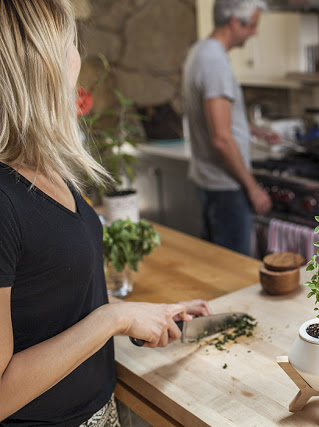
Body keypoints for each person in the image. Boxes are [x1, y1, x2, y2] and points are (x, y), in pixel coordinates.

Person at [0, 1, 211, 425]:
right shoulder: (4, 199)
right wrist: (113, 318)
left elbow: (57, 300)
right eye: (71, 43)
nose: (78, 57)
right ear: (43, 65)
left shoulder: (45, 170)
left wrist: (142, 314)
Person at [183, 0, 281, 256]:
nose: (255, 33)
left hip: (210, 182)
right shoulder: (215, 62)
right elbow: (221, 138)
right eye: (252, 26)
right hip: (226, 187)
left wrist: (255, 131)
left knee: (220, 266)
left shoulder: (200, 51)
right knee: (234, 270)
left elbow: (218, 119)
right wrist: (253, 188)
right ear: (234, 22)